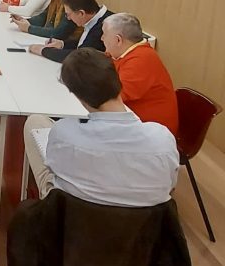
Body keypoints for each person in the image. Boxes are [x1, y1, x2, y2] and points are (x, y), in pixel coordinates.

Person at [23, 48, 179, 206]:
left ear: (78, 96)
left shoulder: (63, 134)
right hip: (145, 220)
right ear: (117, 81)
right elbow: (170, 187)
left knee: (35, 122)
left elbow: (56, 168)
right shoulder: (163, 139)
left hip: (74, 217)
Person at [101, 13, 179, 135]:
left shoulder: (141, 60)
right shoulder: (128, 52)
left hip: (153, 132)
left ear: (118, 40)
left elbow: (112, 97)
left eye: (104, 34)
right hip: (134, 120)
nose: (102, 38)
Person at [30, 0, 112, 62]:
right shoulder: (96, 19)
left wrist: (43, 50)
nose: (68, 18)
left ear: (81, 13)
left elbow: (79, 57)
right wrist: (62, 44)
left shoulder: (105, 26)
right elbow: (84, 44)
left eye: (68, 14)